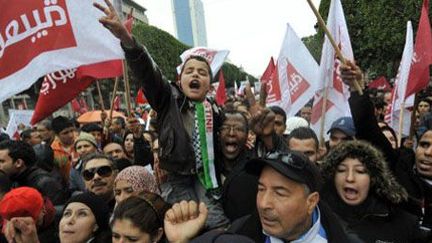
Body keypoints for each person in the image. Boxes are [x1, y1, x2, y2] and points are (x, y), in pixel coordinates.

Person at [94, 0, 231, 228]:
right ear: (180, 80)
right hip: (177, 179)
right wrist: (126, 39)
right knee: (186, 225)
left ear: (209, 84)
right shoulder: (168, 98)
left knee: (217, 222)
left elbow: (227, 139)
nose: (195, 75)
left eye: (202, 73)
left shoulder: (216, 110)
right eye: (190, 71)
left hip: (209, 178)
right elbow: (147, 72)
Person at [341, 60, 432, 232]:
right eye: (424, 144)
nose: (428, 153)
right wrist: (357, 88)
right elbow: (368, 131)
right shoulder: (400, 169)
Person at [321, 140, 426, 242]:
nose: (350, 178)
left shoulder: (403, 223)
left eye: (360, 171)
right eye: (341, 170)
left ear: (374, 177)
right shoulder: (316, 216)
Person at [0, 140, 68, 206]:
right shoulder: (12, 179)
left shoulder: (45, 183)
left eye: (2, 161)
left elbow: (56, 213)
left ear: (18, 163)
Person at [51, 116, 79, 185]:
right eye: (65, 133)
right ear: (56, 134)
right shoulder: (52, 151)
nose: (70, 135)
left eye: (72, 131)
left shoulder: (81, 144)